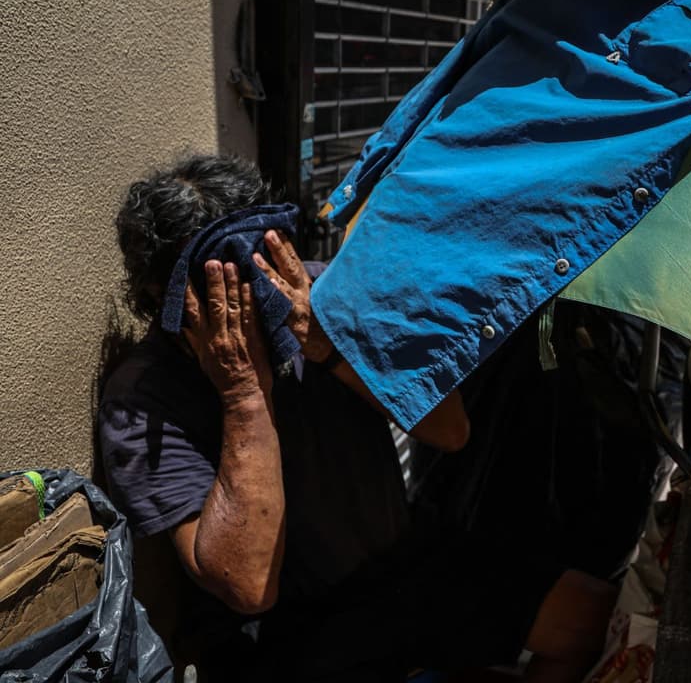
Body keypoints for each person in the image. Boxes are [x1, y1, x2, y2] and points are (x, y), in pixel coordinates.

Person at [97, 154, 614, 682]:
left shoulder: (316, 295)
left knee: (589, 619)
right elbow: (248, 587)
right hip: (284, 631)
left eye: (253, 264)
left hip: (396, 566)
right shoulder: (144, 399)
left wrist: (327, 344)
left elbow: (450, 430)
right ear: (163, 295)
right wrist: (244, 393)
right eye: (217, 282)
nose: (246, 297)